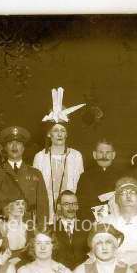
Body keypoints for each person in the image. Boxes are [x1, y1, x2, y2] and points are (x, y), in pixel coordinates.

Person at [0, 126, 48, 229]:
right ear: (5, 147)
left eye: (19, 143)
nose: (14, 146)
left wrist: (40, 229)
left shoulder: (35, 174)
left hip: (29, 228)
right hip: (3, 228)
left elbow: (42, 206)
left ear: (23, 148)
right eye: (10, 143)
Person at [33, 89, 85, 222]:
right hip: (46, 208)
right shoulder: (40, 157)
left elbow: (79, 186)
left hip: (69, 208)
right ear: (49, 134)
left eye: (63, 130)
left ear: (67, 134)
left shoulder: (76, 156)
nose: (60, 134)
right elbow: (36, 188)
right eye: (56, 130)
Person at [76, 138, 121, 222]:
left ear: (113, 155)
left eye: (108, 152)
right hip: (91, 222)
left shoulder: (123, 177)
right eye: (100, 152)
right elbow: (80, 205)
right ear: (94, 154)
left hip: (117, 222)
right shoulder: (85, 177)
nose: (104, 156)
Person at [52, 190, 89, 270]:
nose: (71, 208)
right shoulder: (50, 230)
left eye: (74, 204)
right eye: (66, 204)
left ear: (77, 206)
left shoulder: (88, 227)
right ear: (59, 207)